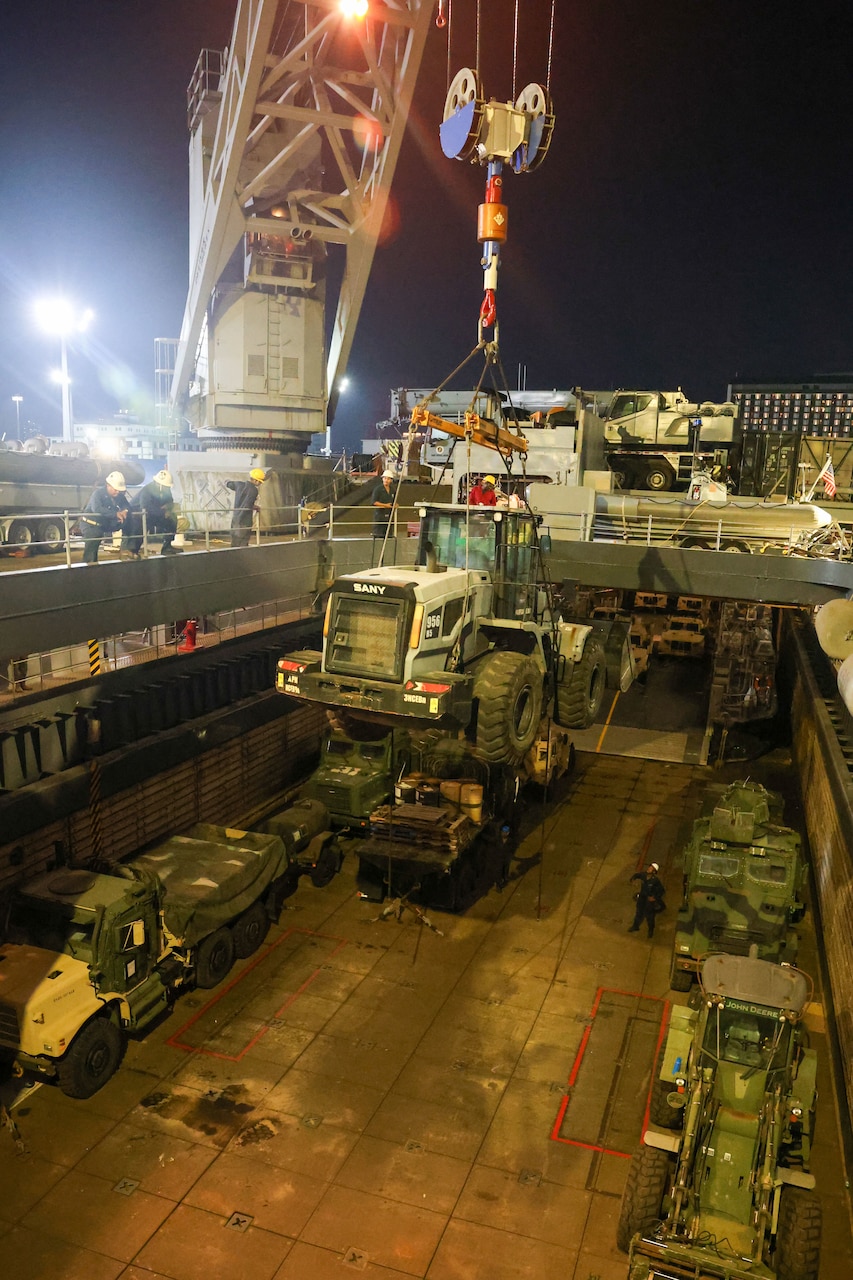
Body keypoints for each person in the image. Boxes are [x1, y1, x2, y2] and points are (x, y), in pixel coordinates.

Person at [122, 469, 181, 558]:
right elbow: (145, 507)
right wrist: (162, 512)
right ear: (159, 484)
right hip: (137, 515)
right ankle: (131, 551)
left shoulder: (166, 490)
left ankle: (167, 546)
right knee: (139, 531)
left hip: (153, 514)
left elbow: (170, 501)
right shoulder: (147, 490)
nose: (167, 488)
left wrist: (168, 508)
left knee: (172, 519)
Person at [78, 471, 131, 564]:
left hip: (100, 525)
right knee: (91, 552)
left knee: (93, 552)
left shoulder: (118, 495)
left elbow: (127, 505)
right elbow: (97, 509)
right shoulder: (98, 494)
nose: (117, 492)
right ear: (108, 485)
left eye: (119, 490)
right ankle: (88, 571)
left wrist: (125, 511)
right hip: (89, 525)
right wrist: (116, 514)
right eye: (115, 489)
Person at [226, 468, 266, 547]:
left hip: (235, 519)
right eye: (259, 482)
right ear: (255, 480)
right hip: (245, 521)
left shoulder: (239, 485)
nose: (259, 484)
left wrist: (237, 487)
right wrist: (255, 507)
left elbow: (228, 484)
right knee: (243, 543)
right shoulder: (254, 490)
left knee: (234, 542)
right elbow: (248, 504)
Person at [628, 861, 666, 937]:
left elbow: (662, 891)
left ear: (654, 872)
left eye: (651, 868)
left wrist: (654, 898)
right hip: (642, 898)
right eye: (649, 867)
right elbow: (637, 875)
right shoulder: (643, 875)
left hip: (649, 900)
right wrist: (633, 879)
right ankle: (635, 926)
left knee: (650, 916)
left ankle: (650, 931)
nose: (649, 869)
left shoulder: (655, 881)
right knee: (639, 913)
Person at [372, 469, 397, 536]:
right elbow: (374, 502)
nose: (386, 480)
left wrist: (395, 505)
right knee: (379, 535)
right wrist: (385, 505)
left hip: (389, 517)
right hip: (380, 516)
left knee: (389, 535)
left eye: (388, 479)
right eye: (385, 478)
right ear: (382, 479)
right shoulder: (378, 489)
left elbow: (394, 501)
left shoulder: (393, 490)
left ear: (391, 480)